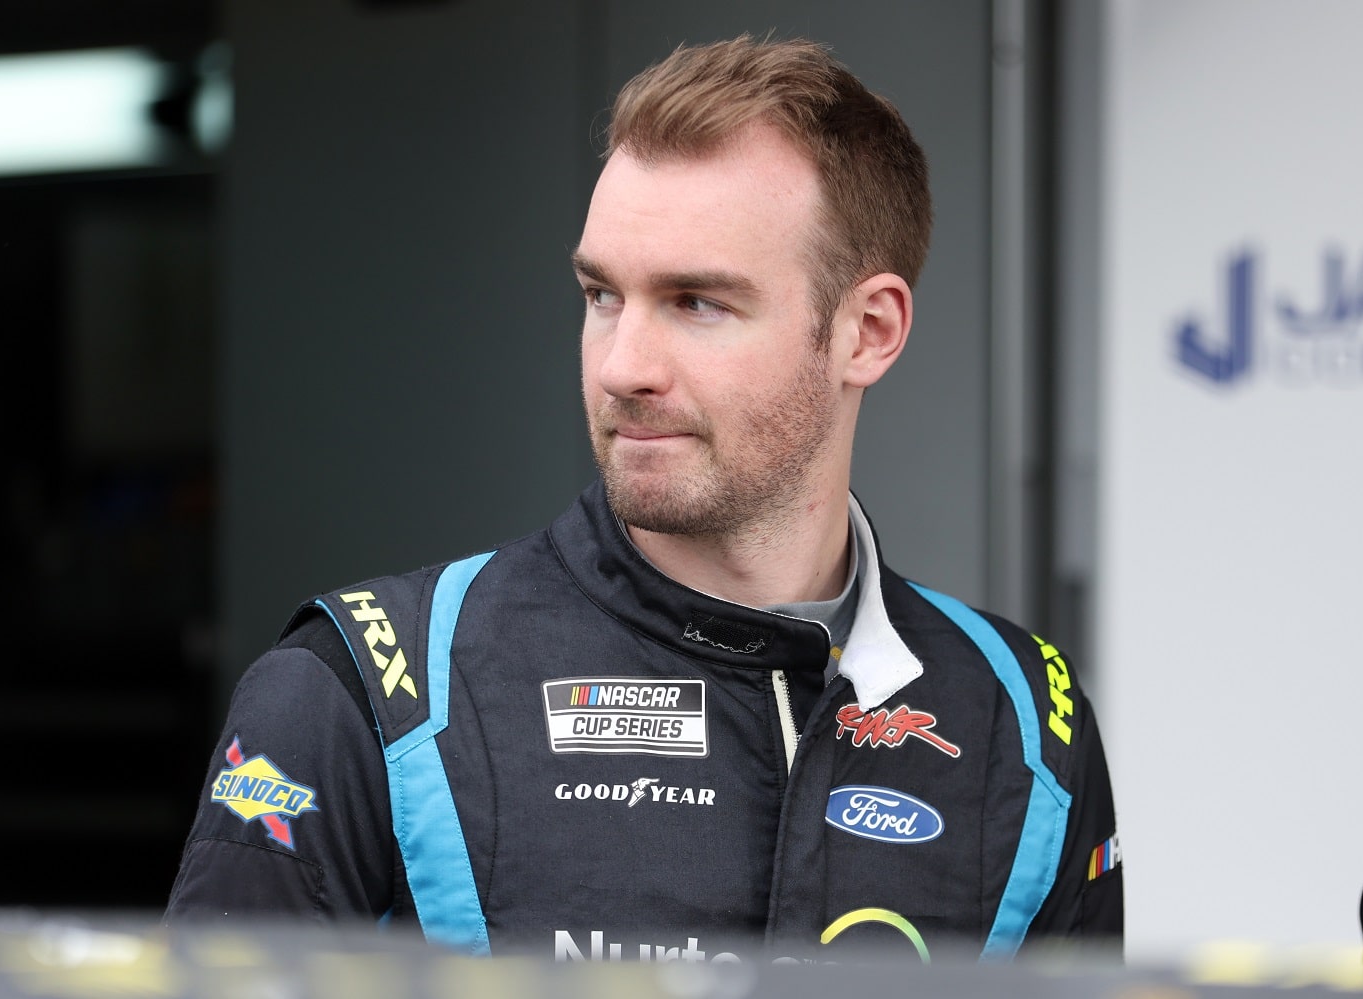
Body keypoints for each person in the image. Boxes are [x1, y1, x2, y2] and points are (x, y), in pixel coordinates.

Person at [166, 35, 1123, 963]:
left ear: (867, 330)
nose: (623, 366)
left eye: (698, 303)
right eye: (601, 295)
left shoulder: (1027, 721)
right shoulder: (364, 693)